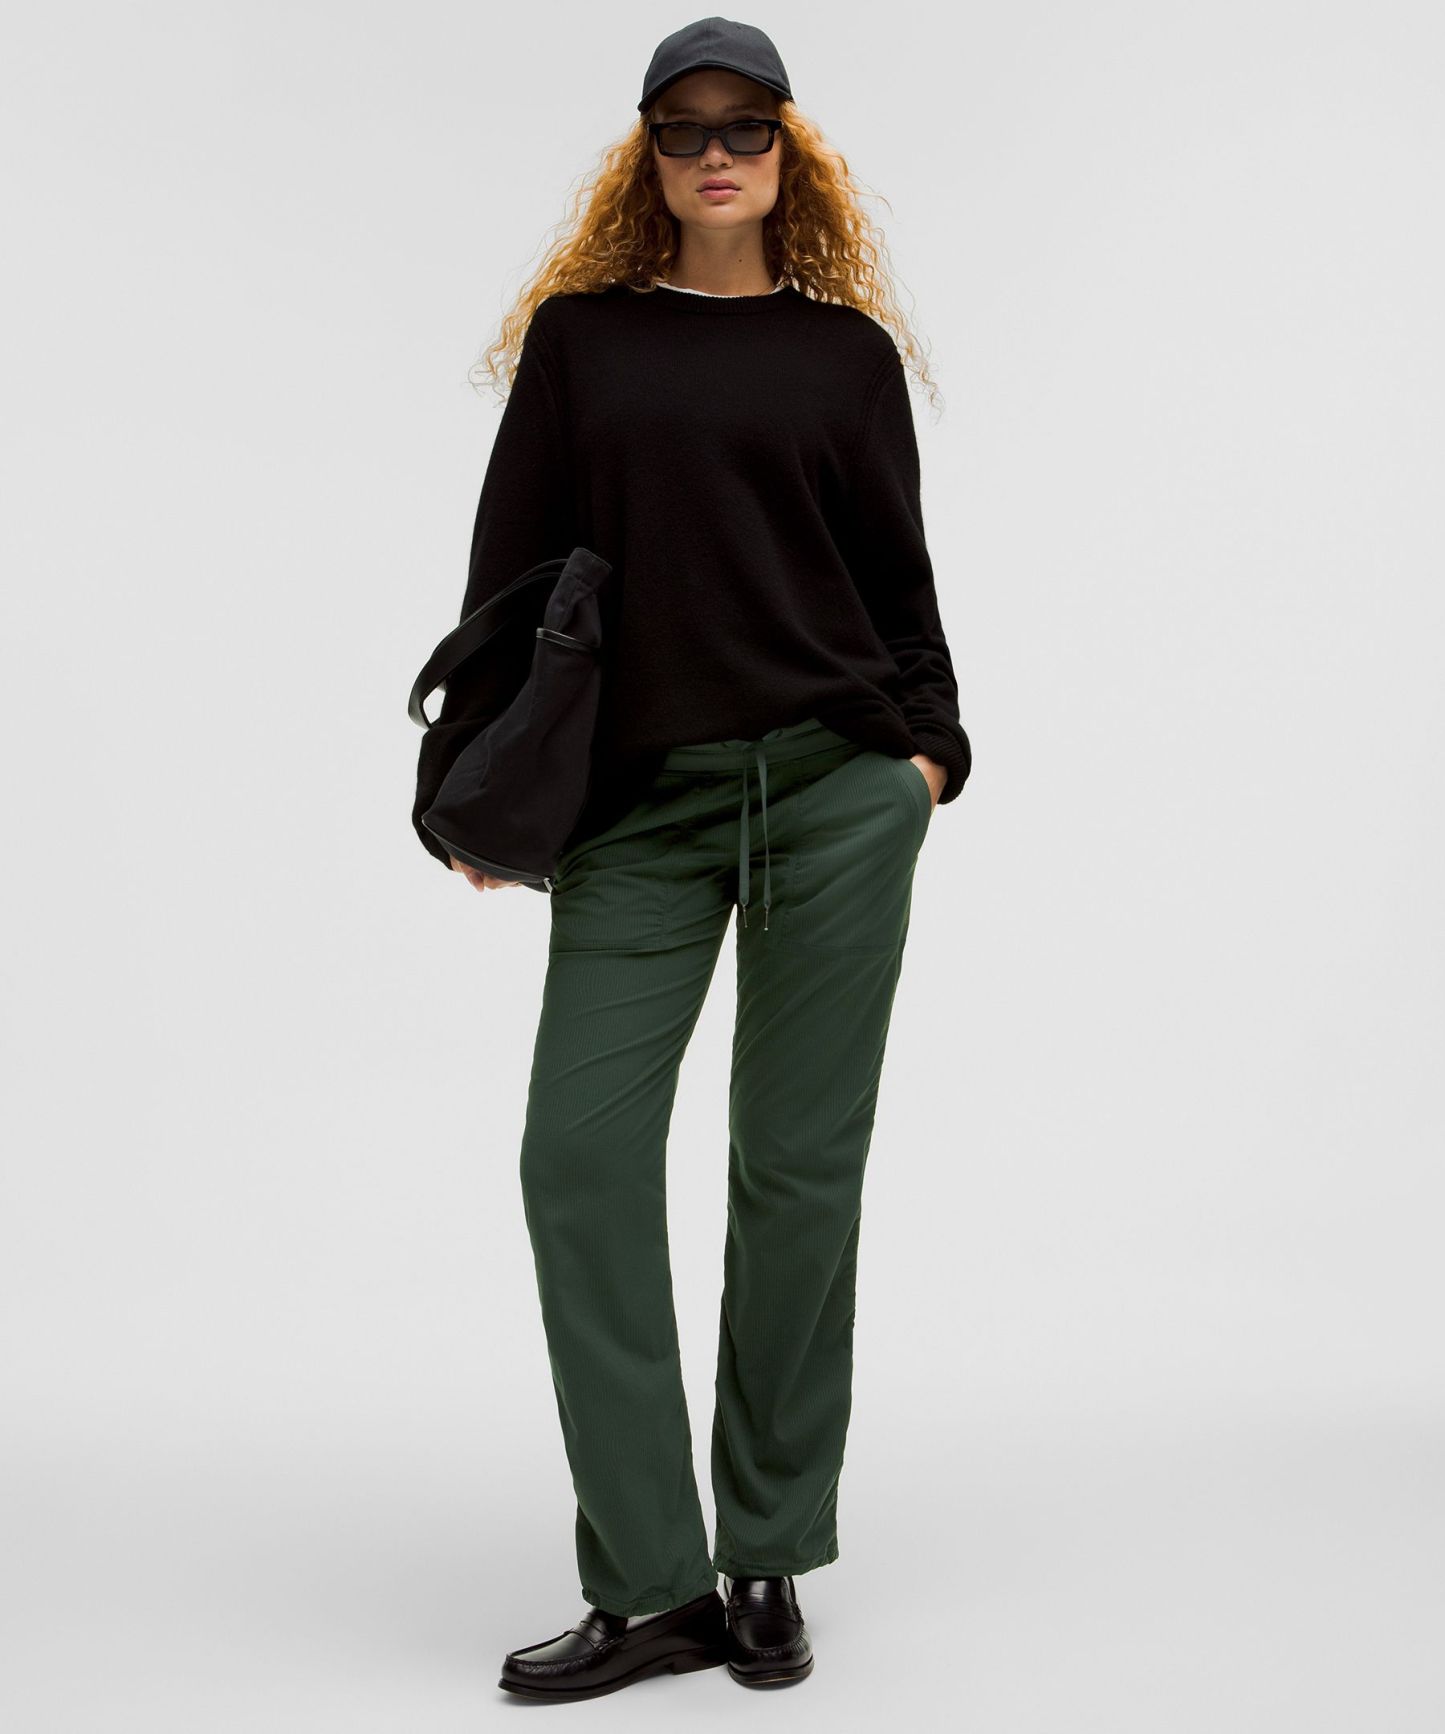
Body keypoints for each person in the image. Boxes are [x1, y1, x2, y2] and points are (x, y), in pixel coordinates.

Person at [412, 17, 972, 1703]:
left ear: (791, 152)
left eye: (745, 127)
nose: (714, 153)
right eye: (682, 128)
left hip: (832, 794)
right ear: (644, 156)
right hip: (636, 809)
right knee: (575, 1157)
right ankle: (651, 1580)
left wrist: (926, 756)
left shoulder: (845, 357)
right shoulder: (582, 342)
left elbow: (896, 582)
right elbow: (510, 572)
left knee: (796, 1171)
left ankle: (766, 1553)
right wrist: (469, 779)